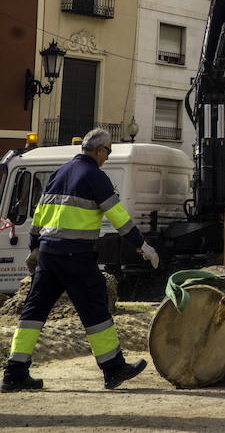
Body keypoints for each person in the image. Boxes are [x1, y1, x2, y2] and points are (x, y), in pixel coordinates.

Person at [1, 128, 160, 393]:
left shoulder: (59, 173)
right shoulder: (95, 177)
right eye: (108, 152)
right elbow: (119, 218)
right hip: (76, 256)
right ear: (99, 150)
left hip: (49, 256)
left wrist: (34, 249)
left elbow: (40, 214)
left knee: (33, 312)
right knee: (95, 308)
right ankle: (113, 368)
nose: (107, 157)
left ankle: (14, 373)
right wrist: (143, 245)